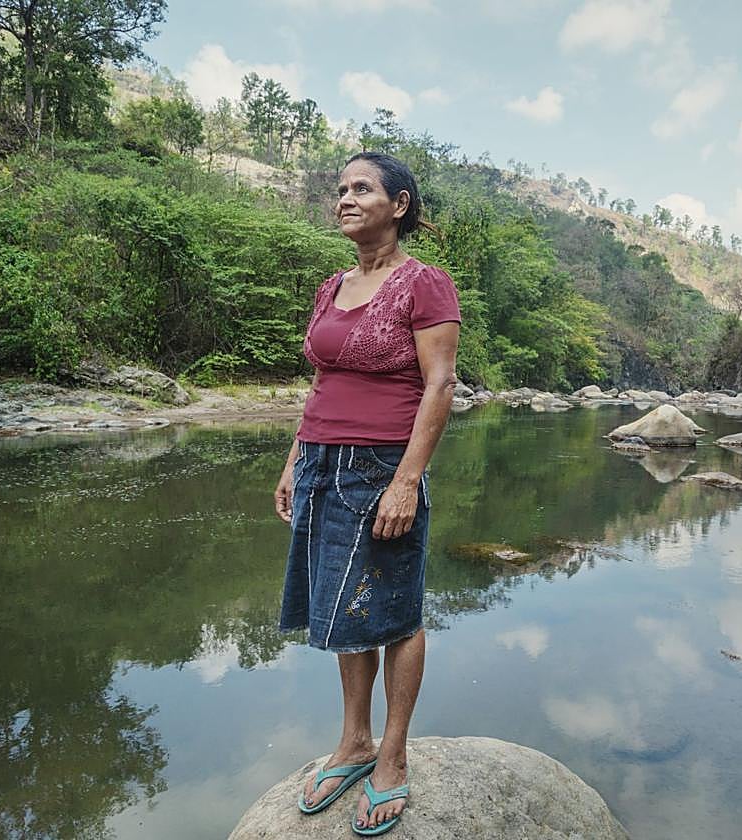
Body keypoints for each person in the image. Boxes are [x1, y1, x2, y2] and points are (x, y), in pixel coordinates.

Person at [274, 151, 460, 836]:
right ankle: (353, 740)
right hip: (322, 461)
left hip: (381, 465)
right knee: (342, 604)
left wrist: (406, 479)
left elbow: (438, 386)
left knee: (394, 609)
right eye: (341, 189)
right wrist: (295, 460)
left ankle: (394, 754)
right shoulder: (331, 285)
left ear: (400, 204)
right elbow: (321, 383)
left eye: (362, 189)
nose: (345, 199)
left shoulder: (425, 285)